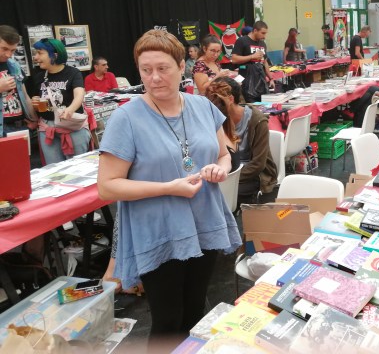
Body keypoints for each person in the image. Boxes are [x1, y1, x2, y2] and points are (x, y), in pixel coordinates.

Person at [97, 29, 241, 349]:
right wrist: (167, 188)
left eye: (163, 68)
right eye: (146, 70)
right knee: (167, 321)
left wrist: (220, 168)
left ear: (181, 67)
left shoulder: (203, 107)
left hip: (203, 222)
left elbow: (224, 154)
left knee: (195, 312)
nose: (154, 78)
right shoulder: (126, 118)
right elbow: (107, 187)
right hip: (158, 229)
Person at [206, 77, 278, 203]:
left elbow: (258, 164)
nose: (213, 106)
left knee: (220, 196)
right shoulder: (216, 120)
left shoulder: (257, 120)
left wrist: (228, 178)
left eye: (217, 101)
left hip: (254, 176)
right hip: (227, 172)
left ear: (231, 99)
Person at [31, 38, 90, 164]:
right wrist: (34, 102)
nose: (36, 57)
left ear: (55, 55)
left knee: (78, 167)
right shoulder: (39, 77)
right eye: (36, 53)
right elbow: (36, 98)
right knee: (54, 170)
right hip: (47, 129)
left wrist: (70, 109)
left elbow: (79, 94)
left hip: (72, 125)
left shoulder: (73, 73)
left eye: (40, 53)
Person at [0, 25, 36, 137]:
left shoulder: (14, 65)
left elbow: (25, 96)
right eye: (4, 49)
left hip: (21, 126)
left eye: (13, 50)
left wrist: (35, 119)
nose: (8, 54)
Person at [231, 21, 275, 103]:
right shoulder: (242, 41)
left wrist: (271, 78)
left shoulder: (262, 43)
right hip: (246, 80)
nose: (264, 36)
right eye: (262, 33)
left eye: (265, 33)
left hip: (261, 81)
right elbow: (234, 59)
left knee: (265, 105)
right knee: (252, 106)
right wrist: (252, 57)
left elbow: (265, 62)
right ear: (255, 31)